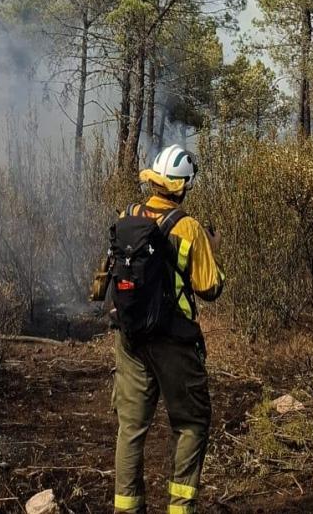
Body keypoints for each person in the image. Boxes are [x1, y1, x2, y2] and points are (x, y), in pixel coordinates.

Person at [111, 144, 224, 514]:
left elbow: (105, 276)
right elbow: (211, 288)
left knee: (131, 427)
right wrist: (211, 247)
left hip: (129, 337)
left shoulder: (127, 216)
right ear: (183, 186)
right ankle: (179, 509)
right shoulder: (189, 228)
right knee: (191, 422)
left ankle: (126, 509)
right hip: (172, 341)